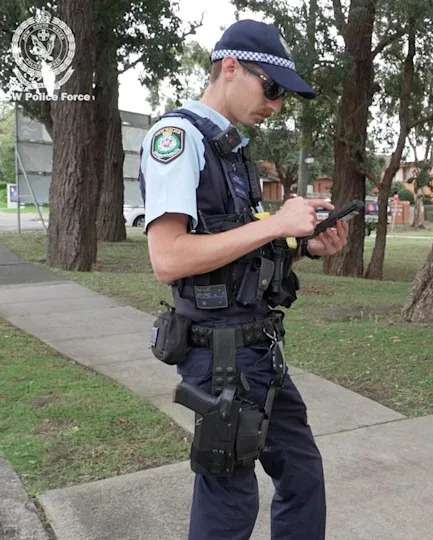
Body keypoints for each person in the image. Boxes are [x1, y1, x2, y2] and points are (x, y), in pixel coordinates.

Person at [139, 20, 346, 540]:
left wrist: (299, 243)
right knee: (230, 500)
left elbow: (235, 253)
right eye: (271, 88)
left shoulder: (231, 147)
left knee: (302, 476)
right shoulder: (177, 137)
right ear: (230, 68)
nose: (275, 105)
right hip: (220, 355)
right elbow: (168, 258)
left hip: (258, 348)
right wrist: (277, 223)